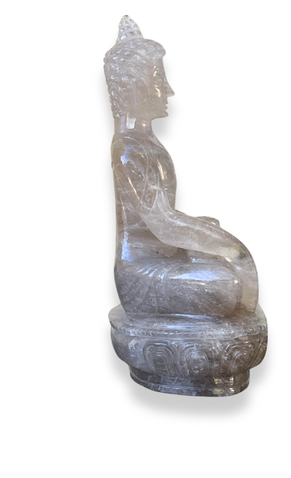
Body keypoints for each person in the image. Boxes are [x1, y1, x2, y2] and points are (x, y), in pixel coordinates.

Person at [105, 16, 258, 317]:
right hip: (140, 274)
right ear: (133, 87)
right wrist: (238, 252)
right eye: (158, 79)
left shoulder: (147, 144)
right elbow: (164, 225)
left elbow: (166, 221)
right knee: (224, 285)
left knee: (221, 259)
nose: (168, 89)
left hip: (165, 256)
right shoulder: (127, 149)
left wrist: (208, 233)